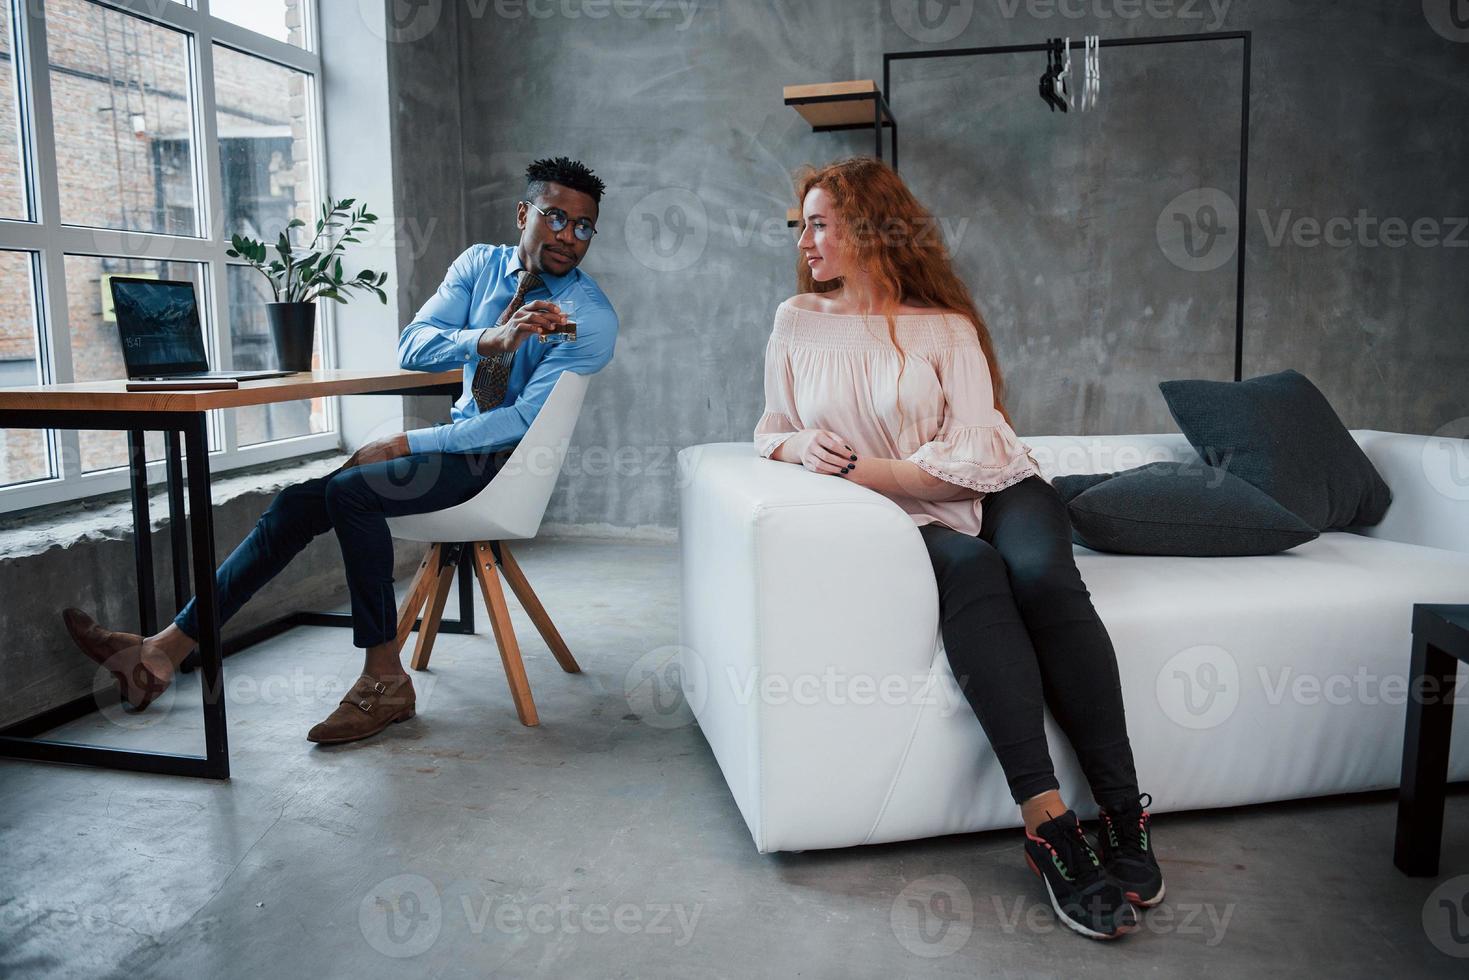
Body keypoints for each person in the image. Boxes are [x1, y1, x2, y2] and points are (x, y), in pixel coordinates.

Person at [63, 156, 618, 746]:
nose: (568, 236)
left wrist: (407, 440)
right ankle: (163, 652)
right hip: (453, 448)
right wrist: (488, 337)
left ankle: (384, 680)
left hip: (501, 466)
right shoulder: (478, 266)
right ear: (523, 213)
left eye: (584, 227)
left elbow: (517, 425)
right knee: (299, 501)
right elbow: (413, 346)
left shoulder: (588, 318)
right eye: (556, 217)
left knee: (351, 493)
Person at [753, 157, 1163, 941]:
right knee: (974, 570)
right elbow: (768, 430)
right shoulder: (795, 320)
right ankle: (1047, 823)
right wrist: (802, 445)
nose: (803, 239)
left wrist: (864, 469)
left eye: (818, 222)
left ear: (869, 228)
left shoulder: (944, 326)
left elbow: (977, 450)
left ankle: (1120, 811)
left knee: (1041, 577)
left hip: (996, 485)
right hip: (907, 515)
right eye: (800, 223)